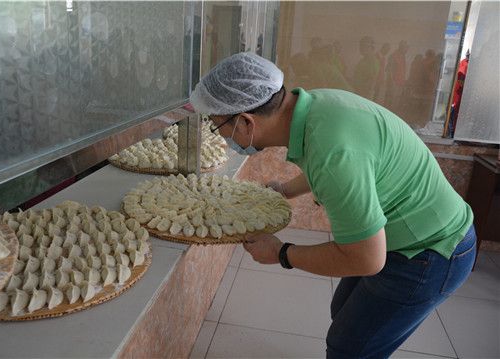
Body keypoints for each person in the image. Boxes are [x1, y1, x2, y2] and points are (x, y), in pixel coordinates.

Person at [190, 52, 476, 359]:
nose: (219, 134)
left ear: (246, 122)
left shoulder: (332, 153)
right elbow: (330, 164)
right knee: (341, 309)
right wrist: (284, 190)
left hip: (430, 251)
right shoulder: (316, 108)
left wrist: (281, 253)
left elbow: (366, 258)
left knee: (350, 347)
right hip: (402, 237)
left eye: (216, 125)